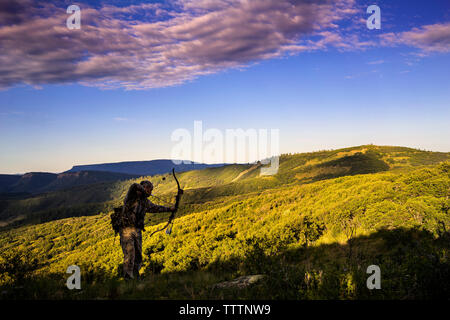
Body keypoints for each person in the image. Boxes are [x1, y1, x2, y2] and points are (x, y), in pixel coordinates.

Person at [119, 180, 176, 280]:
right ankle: (128, 278)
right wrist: (143, 189)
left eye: (151, 190)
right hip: (126, 229)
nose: (151, 192)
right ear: (144, 188)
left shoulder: (145, 202)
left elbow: (156, 208)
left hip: (137, 230)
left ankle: (135, 277)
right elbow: (134, 186)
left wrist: (170, 209)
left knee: (138, 255)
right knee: (130, 253)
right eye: (150, 189)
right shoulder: (131, 197)